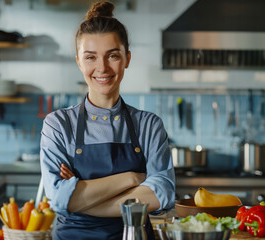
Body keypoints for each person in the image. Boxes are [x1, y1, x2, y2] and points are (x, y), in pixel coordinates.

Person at [39, 1, 175, 239]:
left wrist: (81, 198)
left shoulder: (148, 125)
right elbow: (58, 199)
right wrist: (132, 178)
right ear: (79, 62)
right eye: (90, 57)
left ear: (127, 58)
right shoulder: (58, 125)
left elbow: (161, 193)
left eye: (112, 55)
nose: (102, 68)